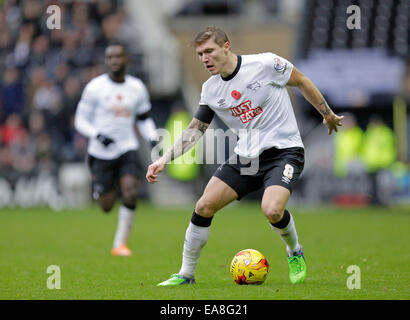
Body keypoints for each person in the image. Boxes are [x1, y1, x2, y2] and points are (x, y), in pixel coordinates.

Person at [146, 27, 343, 285]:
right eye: (200, 54)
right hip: (247, 157)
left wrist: (326, 113)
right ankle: (186, 274)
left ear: (226, 46)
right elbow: (196, 130)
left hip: (285, 151)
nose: (204, 59)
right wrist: (163, 159)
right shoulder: (211, 89)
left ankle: (294, 251)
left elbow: (302, 81)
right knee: (204, 206)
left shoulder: (266, 64)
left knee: (271, 210)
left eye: (209, 51)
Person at [75, 43, 157, 256]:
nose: (114, 61)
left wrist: (152, 136)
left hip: (127, 148)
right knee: (106, 205)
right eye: (110, 57)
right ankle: (100, 188)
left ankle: (119, 244)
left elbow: (143, 118)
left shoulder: (137, 87)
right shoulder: (95, 87)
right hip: (100, 153)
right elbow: (80, 120)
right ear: (106, 60)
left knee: (130, 190)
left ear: (126, 59)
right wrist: (97, 135)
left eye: (118, 56)